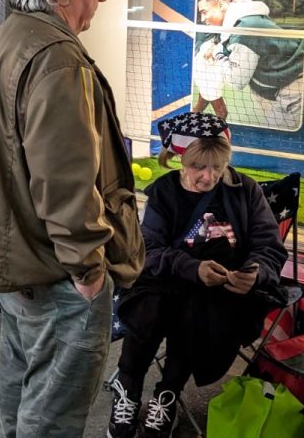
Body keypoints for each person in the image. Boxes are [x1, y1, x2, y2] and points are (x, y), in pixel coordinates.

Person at [0, 0, 145, 436]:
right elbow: (65, 182)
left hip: (18, 259)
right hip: (58, 270)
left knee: (21, 388)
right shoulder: (56, 58)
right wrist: (88, 269)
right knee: (54, 413)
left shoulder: (2, 42)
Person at [107, 113, 286, 438]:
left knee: (200, 314)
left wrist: (256, 273)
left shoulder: (246, 191)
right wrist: (193, 268)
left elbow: (269, 245)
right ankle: (128, 387)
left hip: (223, 291)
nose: (209, 176)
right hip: (168, 280)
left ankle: (167, 394)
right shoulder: (164, 192)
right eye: (199, 167)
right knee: (150, 309)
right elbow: (150, 250)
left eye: (217, 167)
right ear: (179, 159)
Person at [196, 0, 304, 129]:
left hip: (291, 91)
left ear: (221, 5)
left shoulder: (244, 32)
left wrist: (218, 54)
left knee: (279, 136)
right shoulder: (243, 19)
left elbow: (237, 81)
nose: (203, 19)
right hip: (280, 88)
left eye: (204, 12)